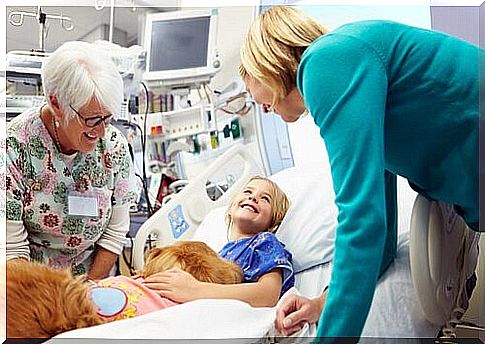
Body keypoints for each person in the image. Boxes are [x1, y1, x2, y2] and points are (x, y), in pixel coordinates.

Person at [239, 5, 481, 340]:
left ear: (265, 64)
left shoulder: (326, 61)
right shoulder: (350, 72)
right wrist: (322, 303)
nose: (259, 106)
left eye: (249, 85)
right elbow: (379, 238)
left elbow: (362, 221)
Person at [6, 41, 137, 280]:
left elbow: (116, 231)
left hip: (95, 279)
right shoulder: (14, 148)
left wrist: (89, 289)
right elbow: (11, 249)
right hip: (34, 284)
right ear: (56, 103)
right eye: (91, 120)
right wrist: (49, 302)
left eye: (106, 119)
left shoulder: (113, 146)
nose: (100, 132)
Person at [143, 176, 295, 307]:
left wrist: (194, 289)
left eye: (265, 199)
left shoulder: (265, 242)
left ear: (273, 221)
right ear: (230, 208)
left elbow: (267, 295)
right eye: (248, 191)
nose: (253, 198)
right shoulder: (222, 254)